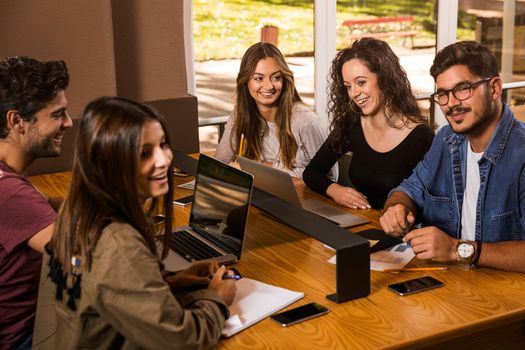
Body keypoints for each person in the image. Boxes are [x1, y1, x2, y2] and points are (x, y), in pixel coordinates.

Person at [32, 96, 237, 349]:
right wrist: (216, 299)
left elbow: (102, 291)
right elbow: (181, 340)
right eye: (144, 153)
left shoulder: (76, 210)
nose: (163, 160)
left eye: (163, 144)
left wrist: (170, 281)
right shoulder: (119, 243)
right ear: (110, 162)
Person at [380, 41, 525, 272]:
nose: (451, 104)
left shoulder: (521, 154)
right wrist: (397, 207)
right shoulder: (446, 140)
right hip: (451, 286)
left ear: (495, 88)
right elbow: (409, 189)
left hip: (504, 297)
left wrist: (456, 249)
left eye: (463, 89)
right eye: (444, 94)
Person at [303, 38, 434, 210]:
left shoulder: (421, 137)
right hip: (361, 221)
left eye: (361, 82)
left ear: (385, 78)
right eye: (348, 86)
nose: (354, 93)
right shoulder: (352, 122)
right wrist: (335, 190)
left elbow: (428, 205)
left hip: (402, 232)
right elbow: (312, 173)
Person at [0, 56, 72, 350]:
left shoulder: (9, 178)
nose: (68, 122)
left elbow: (50, 203)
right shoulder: (10, 193)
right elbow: (85, 256)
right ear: (17, 121)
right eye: (57, 114)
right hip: (27, 338)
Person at [215, 42, 334, 179]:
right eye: (259, 78)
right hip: (261, 194)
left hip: (301, 197)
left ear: (284, 80)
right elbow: (220, 163)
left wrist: (260, 167)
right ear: (245, 81)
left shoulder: (306, 121)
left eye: (276, 77)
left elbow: (330, 176)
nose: (269, 86)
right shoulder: (240, 115)